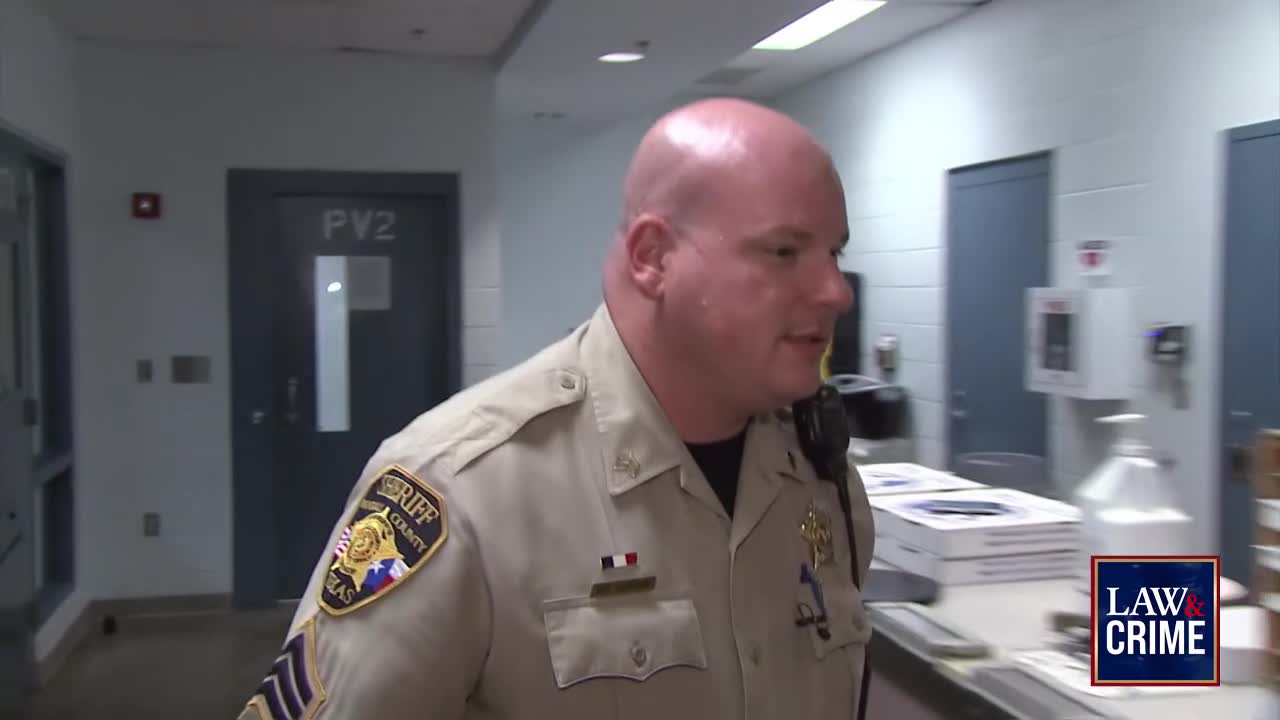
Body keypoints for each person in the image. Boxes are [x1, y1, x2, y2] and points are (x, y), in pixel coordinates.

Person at [237, 97, 874, 720]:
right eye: (784, 253)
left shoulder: (819, 474)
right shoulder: (461, 491)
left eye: (834, 254)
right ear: (654, 257)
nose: (835, 292)